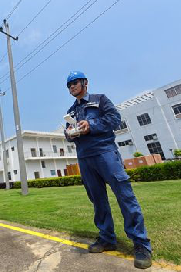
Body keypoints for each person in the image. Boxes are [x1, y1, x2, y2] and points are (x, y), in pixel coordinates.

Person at [64, 71, 152, 269]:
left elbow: (114, 119)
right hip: (85, 158)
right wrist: (69, 133)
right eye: (68, 85)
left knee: (124, 195)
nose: (72, 87)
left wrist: (91, 125)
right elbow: (66, 133)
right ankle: (106, 238)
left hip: (105, 153)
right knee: (97, 200)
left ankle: (141, 244)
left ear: (85, 82)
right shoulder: (71, 110)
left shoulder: (100, 99)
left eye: (75, 82)